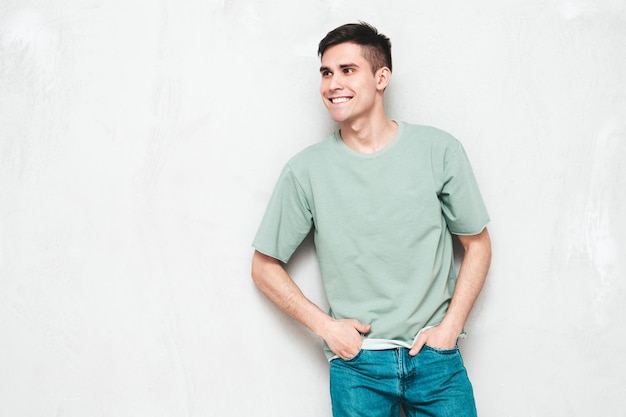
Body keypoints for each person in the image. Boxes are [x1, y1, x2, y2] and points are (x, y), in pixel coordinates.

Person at [251, 21, 491, 417]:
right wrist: (327, 328)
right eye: (326, 73)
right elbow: (264, 267)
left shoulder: (439, 150)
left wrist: (450, 329)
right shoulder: (306, 170)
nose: (332, 84)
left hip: (436, 361)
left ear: (382, 77)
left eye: (347, 70)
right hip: (358, 366)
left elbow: (478, 244)